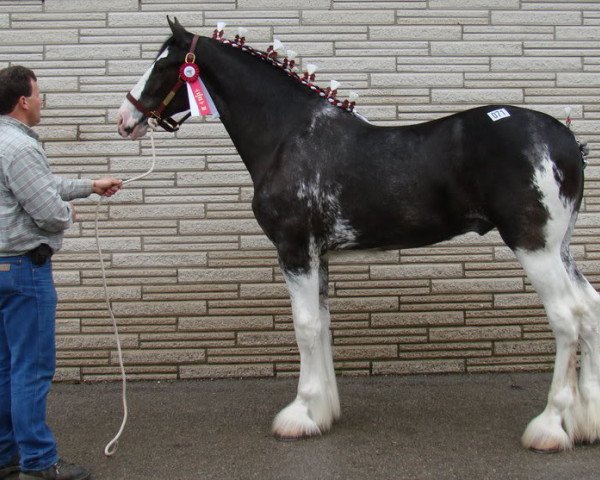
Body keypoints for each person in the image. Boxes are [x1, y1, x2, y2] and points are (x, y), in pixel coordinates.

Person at [0, 66, 122, 480]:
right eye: (38, 94)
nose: (42, 100)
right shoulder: (19, 146)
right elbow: (49, 211)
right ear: (22, 100)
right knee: (31, 370)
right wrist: (68, 211)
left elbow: (38, 184)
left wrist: (89, 184)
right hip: (22, 274)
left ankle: (5, 456)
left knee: (4, 367)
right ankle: (37, 462)